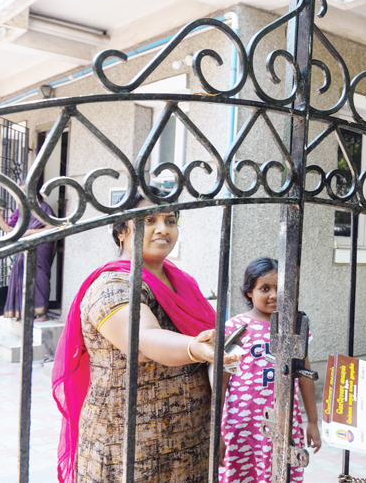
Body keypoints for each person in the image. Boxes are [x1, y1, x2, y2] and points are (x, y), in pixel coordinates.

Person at [51, 187, 238, 483]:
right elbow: (143, 339)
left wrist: (216, 431)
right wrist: (193, 347)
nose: (163, 229)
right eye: (149, 220)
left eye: (170, 220)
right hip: (129, 445)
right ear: (122, 231)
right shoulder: (111, 286)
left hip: (190, 439)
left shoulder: (181, 281)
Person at [219, 256, 321, 483]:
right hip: (242, 421)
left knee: (281, 469)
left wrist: (312, 421)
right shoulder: (236, 327)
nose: (274, 295)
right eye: (265, 288)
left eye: (280, 288)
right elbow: (221, 380)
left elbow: (304, 375)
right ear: (249, 292)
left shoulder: (295, 327)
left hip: (285, 419)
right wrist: (217, 429)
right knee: (244, 472)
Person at [0, 199, 55, 321]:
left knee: (39, 277)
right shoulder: (20, 211)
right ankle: (24, 312)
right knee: (21, 277)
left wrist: (31, 232)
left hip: (40, 247)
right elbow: (8, 229)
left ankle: (42, 313)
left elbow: (53, 227)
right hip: (24, 248)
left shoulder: (43, 208)